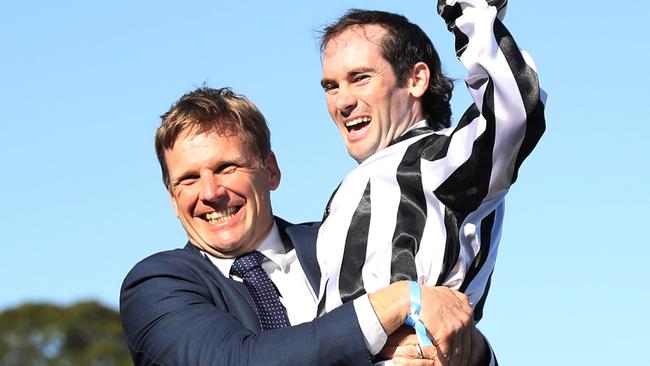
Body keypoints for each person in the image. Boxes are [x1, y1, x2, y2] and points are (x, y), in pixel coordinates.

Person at [120, 86, 488, 365]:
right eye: (188, 179)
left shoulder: (345, 241)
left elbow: (445, 327)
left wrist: (467, 351)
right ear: (172, 197)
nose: (211, 192)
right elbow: (236, 361)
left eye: (226, 168)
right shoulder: (156, 287)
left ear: (271, 170)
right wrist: (393, 303)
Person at [315, 0, 546, 363]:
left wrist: (469, 11)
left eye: (360, 77)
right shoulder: (347, 194)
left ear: (416, 79)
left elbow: (514, 111)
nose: (342, 101)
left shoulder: (438, 159)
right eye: (331, 86)